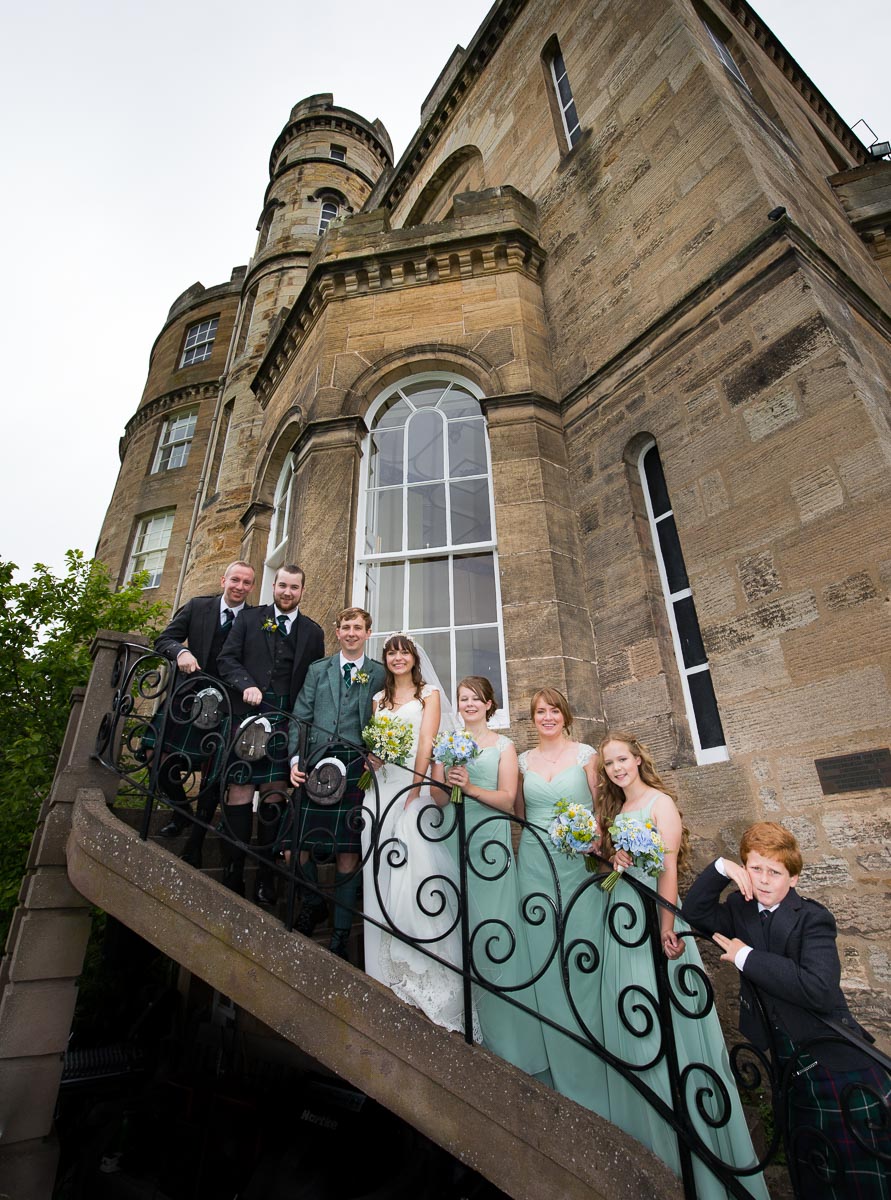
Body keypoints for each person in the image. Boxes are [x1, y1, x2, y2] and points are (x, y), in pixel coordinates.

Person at [597, 732, 768, 1199]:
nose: (617, 768)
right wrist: (615, 858)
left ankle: (690, 1154)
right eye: (609, 763)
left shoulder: (660, 804)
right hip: (621, 921)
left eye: (622, 759)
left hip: (655, 923)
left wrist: (666, 928)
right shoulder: (616, 812)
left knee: (663, 1024)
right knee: (631, 1023)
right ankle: (646, 1141)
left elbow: (667, 869)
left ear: (637, 759)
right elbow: (626, 870)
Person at [684, 821, 890, 1200]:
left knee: (865, 1174)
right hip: (786, 1065)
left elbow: (819, 989)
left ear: (792, 878)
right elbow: (695, 913)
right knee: (813, 1170)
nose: (763, 880)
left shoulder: (812, 917)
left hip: (833, 1061)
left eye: (774, 872)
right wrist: (720, 869)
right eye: (754, 868)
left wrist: (745, 957)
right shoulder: (739, 908)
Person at [361, 635, 479, 1037]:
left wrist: (415, 788)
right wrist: (372, 759)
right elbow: (376, 742)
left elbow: (426, 743)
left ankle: (428, 978)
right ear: (386, 659)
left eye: (403, 651)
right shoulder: (378, 700)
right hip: (379, 788)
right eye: (391, 652)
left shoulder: (428, 695)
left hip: (411, 788)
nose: (397, 657)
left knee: (415, 874)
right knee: (378, 875)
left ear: (413, 658)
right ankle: (383, 973)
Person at [435, 676, 548, 1078]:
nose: (468, 705)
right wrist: (446, 782)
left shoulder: (504, 746)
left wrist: (471, 787)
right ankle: (460, 1020)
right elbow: (437, 798)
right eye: (463, 699)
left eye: (475, 699)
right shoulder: (448, 742)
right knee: (453, 922)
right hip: (452, 835)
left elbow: (507, 801)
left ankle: (506, 1037)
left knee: (494, 929)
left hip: (490, 843)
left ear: (488, 704)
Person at [515, 688, 605, 1106]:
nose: (547, 717)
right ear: (532, 718)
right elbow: (517, 813)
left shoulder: (587, 755)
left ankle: (590, 1051)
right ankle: (549, 1051)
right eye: (539, 712)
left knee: (581, 948)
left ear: (565, 715)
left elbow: (603, 808)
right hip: (533, 860)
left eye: (553, 710)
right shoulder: (522, 762)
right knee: (541, 947)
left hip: (577, 863)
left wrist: (596, 840)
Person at [215, 564, 324, 901]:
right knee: (240, 791)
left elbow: (311, 682)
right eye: (282, 586)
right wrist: (245, 684)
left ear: (302, 591)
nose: (287, 592)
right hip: (248, 713)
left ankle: (265, 876)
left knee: (275, 793)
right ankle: (231, 873)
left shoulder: (312, 632)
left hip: (284, 719)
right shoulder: (249, 619)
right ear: (273, 586)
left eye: (294, 587)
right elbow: (227, 659)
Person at [287, 607, 385, 958]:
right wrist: (296, 761)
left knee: (347, 854)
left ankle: (341, 932)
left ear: (368, 633)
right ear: (338, 631)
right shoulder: (318, 670)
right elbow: (300, 717)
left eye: (358, 628)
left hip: (356, 767)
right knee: (293, 848)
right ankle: (313, 900)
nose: (351, 633)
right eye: (346, 627)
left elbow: (387, 719)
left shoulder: (379, 673)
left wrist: (380, 752)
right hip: (316, 763)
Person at [152, 560, 255, 861]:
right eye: (235, 580)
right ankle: (181, 811)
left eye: (246, 583)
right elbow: (164, 639)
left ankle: (196, 842)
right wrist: (181, 651)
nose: (239, 587)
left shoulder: (253, 618)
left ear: (251, 587)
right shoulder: (198, 607)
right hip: (188, 699)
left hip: (228, 706)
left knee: (213, 776)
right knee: (154, 753)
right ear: (224, 580)